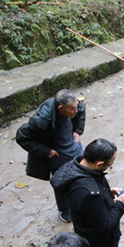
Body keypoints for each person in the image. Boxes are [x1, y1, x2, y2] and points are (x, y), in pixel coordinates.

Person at [15, 89, 85, 223]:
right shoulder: (42, 120)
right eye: (72, 109)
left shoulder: (74, 105)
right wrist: (46, 151)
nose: (76, 111)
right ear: (61, 108)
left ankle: (79, 202)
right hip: (58, 158)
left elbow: (82, 111)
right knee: (61, 184)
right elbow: (22, 137)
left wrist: (78, 130)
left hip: (75, 150)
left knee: (80, 178)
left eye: (76, 107)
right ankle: (65, 210)